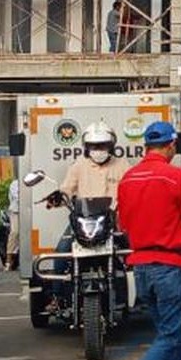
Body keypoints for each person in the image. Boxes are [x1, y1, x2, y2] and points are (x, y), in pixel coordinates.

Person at [100, 122, 181, 360]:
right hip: (170, 265)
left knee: (174, 332)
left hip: (142, 267)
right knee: (171, 335)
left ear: (147, 146)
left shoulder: (128, 178)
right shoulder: (175, 176)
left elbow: (123, 224)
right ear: (171, 145)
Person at [51, 121, 131, 299]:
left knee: (135, 253)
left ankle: (140, 294)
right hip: (83, 222)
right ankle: (57, 297)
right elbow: (67, 188)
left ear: (111, 146)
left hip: (114, 222)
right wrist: (58, 196)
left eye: (102, 145)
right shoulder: (79, 166)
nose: (98, 149)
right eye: (94, 146)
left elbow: (131, 188)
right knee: (61, 252)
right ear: (87, 147)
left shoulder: (122, 165)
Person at [4, 179, 20, 271]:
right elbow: (17, 197)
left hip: (29, 211)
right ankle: (8, 260)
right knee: (15, 232)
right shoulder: (15, 184)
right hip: (16, 211)